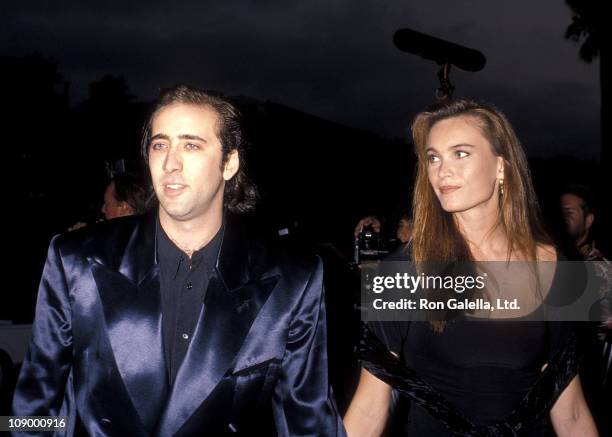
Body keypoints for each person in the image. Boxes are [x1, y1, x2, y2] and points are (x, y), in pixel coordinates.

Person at [12, 85, 345, 436]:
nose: (170, 162)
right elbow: (32, 408)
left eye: (191, 145)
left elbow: (308, 421)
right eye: (160, 145)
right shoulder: (76, 258)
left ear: (229, 163)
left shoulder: (293, 277)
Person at [344, 99, 598, 436]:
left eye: (460, 153)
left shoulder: (555, 265)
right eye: (433, 158)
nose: (441, 170)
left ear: (501, 167)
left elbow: (572, 411)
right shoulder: (400, 271)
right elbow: (369, 406)